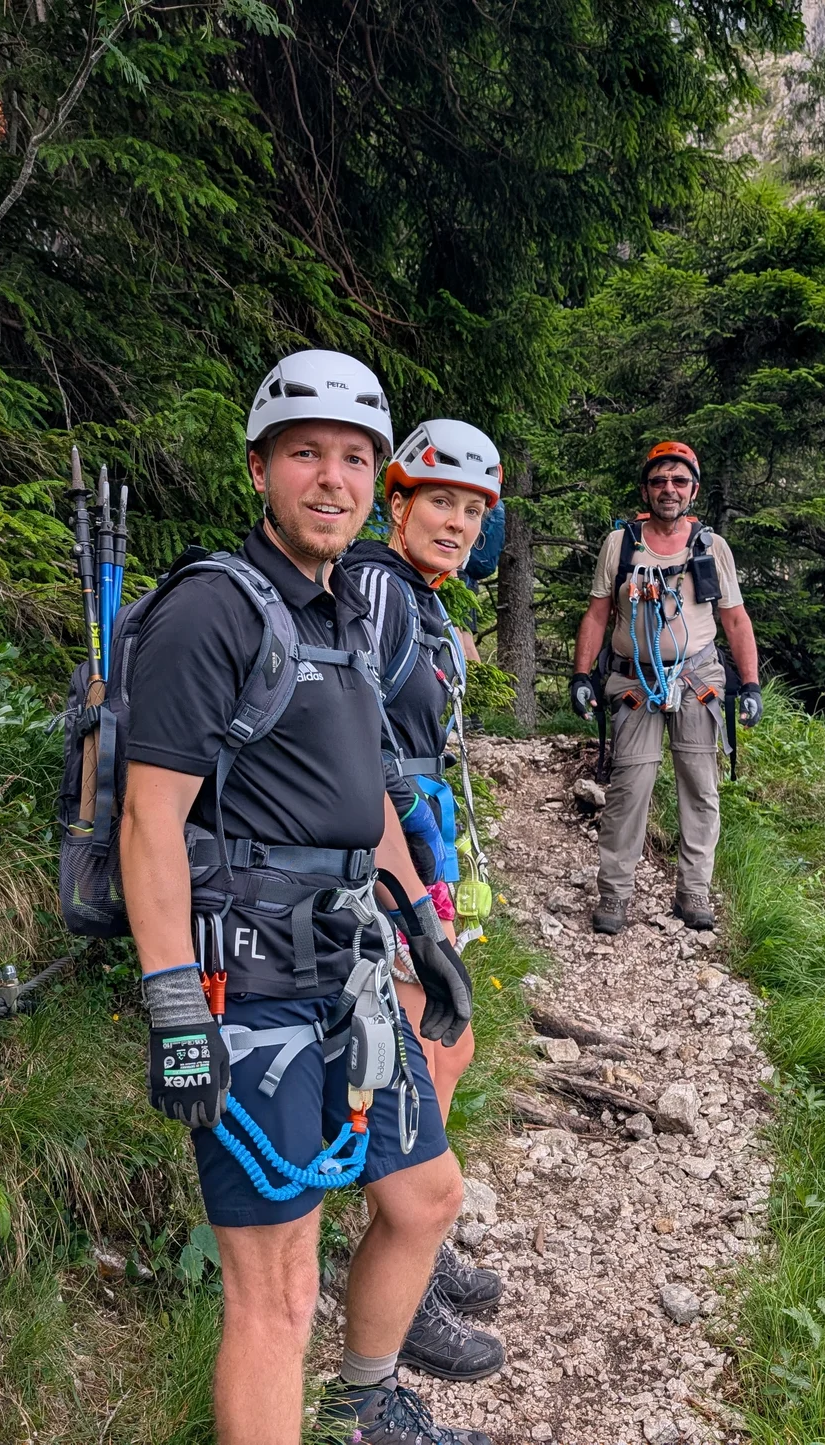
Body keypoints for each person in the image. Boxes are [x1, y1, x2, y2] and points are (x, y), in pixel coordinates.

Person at [119, 350, 492, 1445]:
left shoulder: (342, 616)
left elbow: (367, 790)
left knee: (425, 1195)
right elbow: (151, 821)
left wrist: (425, 925)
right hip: (249, 987)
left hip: (350, 967)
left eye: (353, 457)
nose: (332, 478)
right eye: (306, 454)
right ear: (259, 470)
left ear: (376, 477)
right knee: (275, 1287)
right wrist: (174, 1002)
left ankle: (361, 1405)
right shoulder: (213, 612)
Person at [342, 419, 508, 1383]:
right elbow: (352, 730)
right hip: (386, 844)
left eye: (472, 509)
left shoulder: (417, 595)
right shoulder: (375, 586)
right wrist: (408, 891)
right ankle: (404, 1269)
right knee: (420, 1047)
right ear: (396, 503)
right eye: (439, 500)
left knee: (449, 1043)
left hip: (422, 834)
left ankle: (420, 1249)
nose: (455, 521)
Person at [568, 440, 762, 935]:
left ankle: (694, 891)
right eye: (659, 482)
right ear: (646, 490)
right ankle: (614, 894)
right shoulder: (621, 545)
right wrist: (582, 675)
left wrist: (752, 683)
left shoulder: (712, 548)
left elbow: (735, 621)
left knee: (700, 786)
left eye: (678, 481)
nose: (668, 490)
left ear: (693, 489)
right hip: (635, 679)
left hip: (697, 677)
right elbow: (596, 615)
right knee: (629, 788)